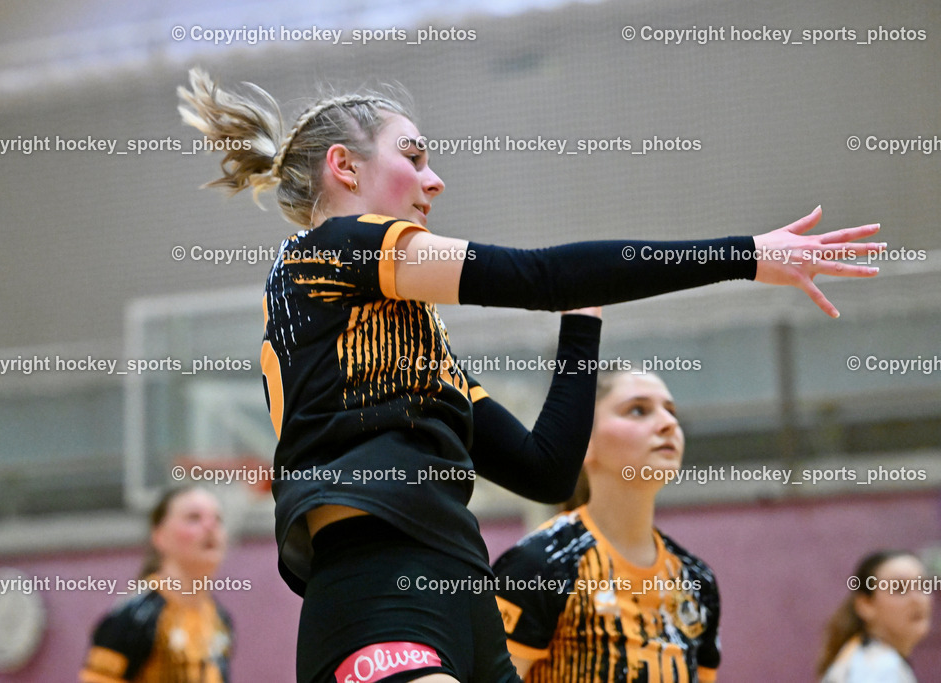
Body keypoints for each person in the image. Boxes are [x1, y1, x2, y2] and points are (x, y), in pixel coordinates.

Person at [176, 67, 883, 683]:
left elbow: (545, 470)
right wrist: (749, 254)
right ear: (346, 167)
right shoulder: (325, 254)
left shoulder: (413, 351)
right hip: (377, 586)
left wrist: (584, 319)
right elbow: (538, 273)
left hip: (465, 593)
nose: (435, 178)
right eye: (414, 155)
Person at [493, 370, 720, 682]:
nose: (669, 423)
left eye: (671, 411)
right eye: (638, 410)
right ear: (583, 441)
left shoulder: (697, 580)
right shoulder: (540, 566)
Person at [79, 485, 234, 683]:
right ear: (160, 536)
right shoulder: (133, 618)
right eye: (194, 518)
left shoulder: (220, 619)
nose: (211, 526)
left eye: (218, 519)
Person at [818, 550, 932, 682]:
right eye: (899, 588)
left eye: (923, 585)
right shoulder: (880, 668)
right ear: (866, 604)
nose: (917, 599)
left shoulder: (861, 657)